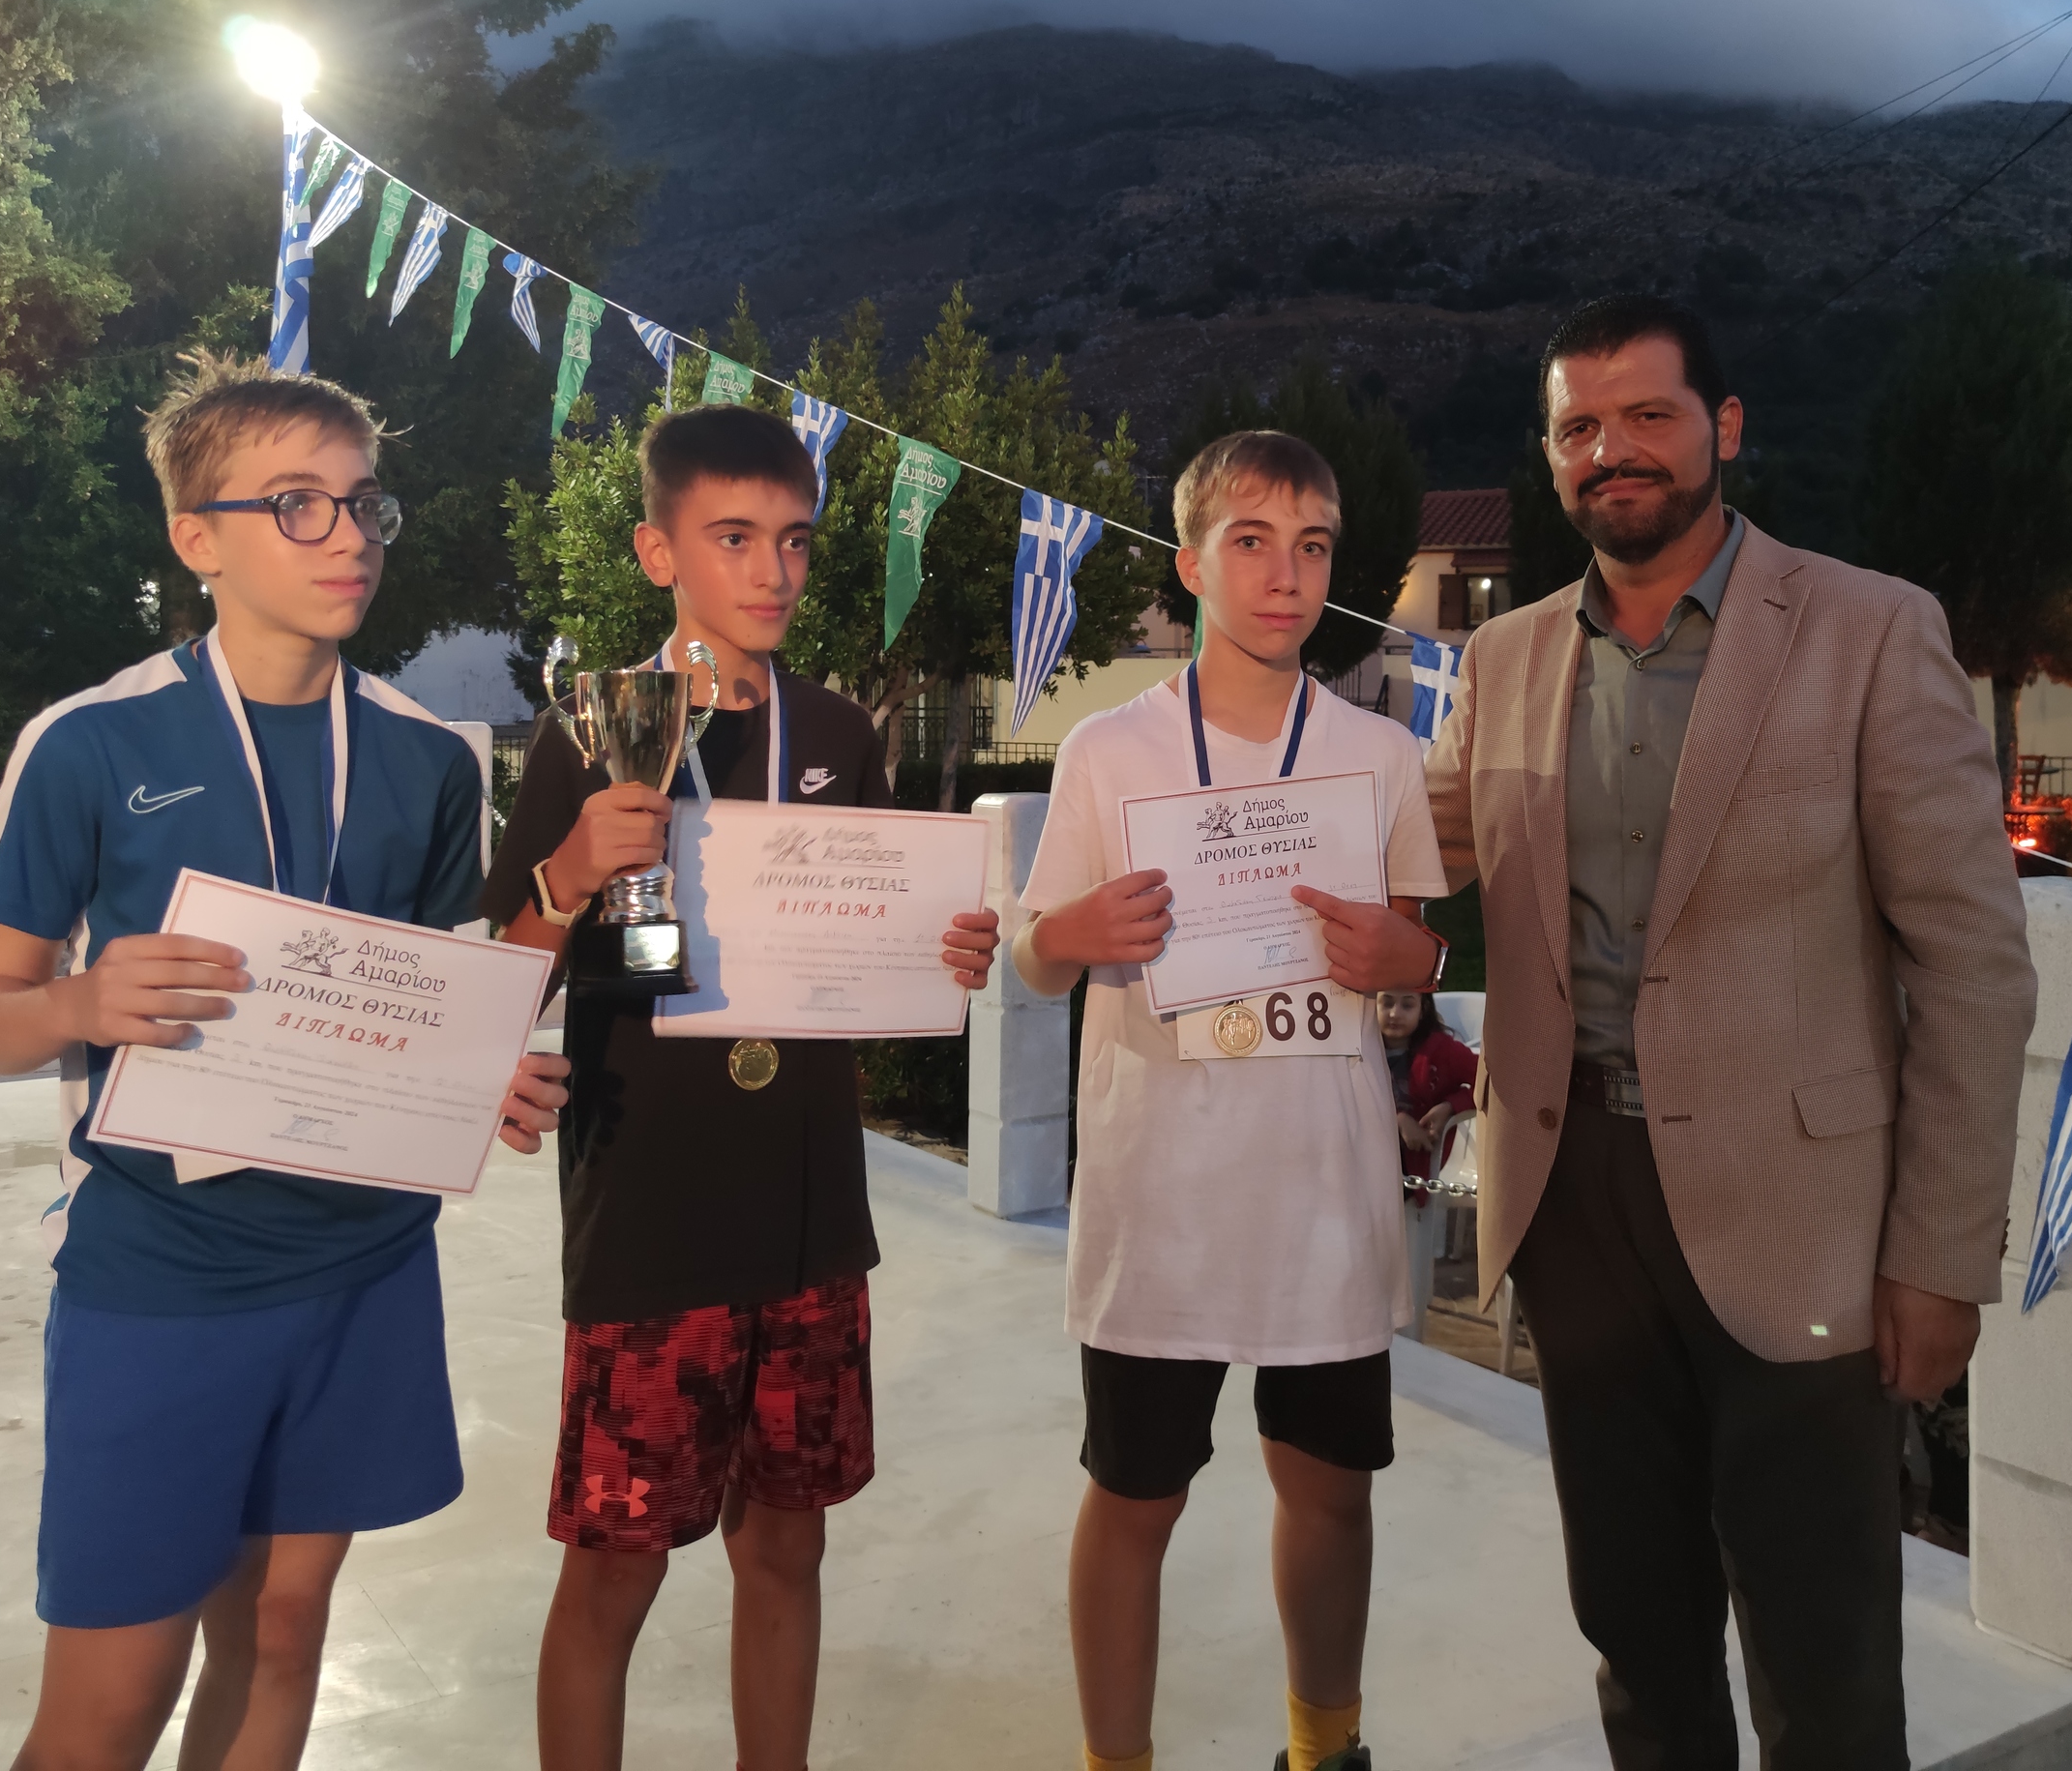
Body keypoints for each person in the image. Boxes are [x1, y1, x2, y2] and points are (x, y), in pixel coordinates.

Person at [1424, 295, 2036, 1770]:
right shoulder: (1502, 658)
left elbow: (1972, 965)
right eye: (1579, 427)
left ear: (1727, 428)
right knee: (1635, 1628)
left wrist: (1941, 1255)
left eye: (1649, 415)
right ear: (1550, 455)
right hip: (1574, 1201)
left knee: (1826, 1661)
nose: (1612, 450)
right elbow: (1405, 853)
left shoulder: (1871, 630)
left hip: (1802, 1216)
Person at [0, 351, 571, 1771]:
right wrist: (80, 1001)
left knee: (285, 1634)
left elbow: (426, 1000)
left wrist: (476, 1074)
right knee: (114, 1695)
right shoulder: (90, 744)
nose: (348, 536)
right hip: (161, 1274)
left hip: (364, 1263)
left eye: (362, 502)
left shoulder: (428, 757)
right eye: (297, 504)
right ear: (197, 538)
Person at [483, 405, 999, 1771]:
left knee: (787, 1548)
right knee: (616, 1568)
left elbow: (877, 946)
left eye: (794, 541)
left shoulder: (835, 730)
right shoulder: (589, 731)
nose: (771, 570)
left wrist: (943, 948)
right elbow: (500, 980)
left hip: (810, 1216)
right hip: (649, 1219)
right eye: (732, 538)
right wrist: (569, 874)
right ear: (659, 552)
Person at [1014, 429, 1449, 1771]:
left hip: (1323, 1191)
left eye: (1312, 546)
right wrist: (1068, 932)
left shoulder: (1378, 754)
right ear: (1192, 562)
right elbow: (1033, 956)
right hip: (1161, 1197)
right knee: (1133, 1497)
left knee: (1329, 1493)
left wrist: (1413, 963)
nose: (1285, 575)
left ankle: (1325, 1746)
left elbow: (1411, 969)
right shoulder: (1108, 750)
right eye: (1251, 542)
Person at [1380, 989, 1477, 1189]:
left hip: (1412, 1170)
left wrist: (1450, 1106)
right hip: (1360, 1158)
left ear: (1422, 1010)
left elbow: (1491, 1080)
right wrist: (1397, 1119)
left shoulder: (1443, 1051)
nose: (1395, 1014)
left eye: (1407, 1005)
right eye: (1387, 1003)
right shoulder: (1357, 1049)